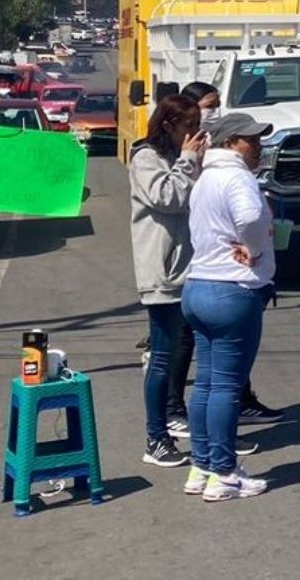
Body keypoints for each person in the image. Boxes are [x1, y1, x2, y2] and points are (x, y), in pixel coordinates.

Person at [183, 112, 277, 502]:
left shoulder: (206, 177)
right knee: (225, 385)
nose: (258, 146)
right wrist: (255, 249)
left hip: (198, 286)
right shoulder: (236, 176)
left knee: (206, 383)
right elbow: (251, 216)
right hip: (231, 288)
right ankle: (224, 472)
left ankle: (202, 465)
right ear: (229, 143)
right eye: (250, 139)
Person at [128, 95, 204, 469]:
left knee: (195, 350)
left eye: (198, 126)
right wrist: (189, 160)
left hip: (192, 269)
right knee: (162, 357)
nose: (194, 135)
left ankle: (200, 426)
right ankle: (156, 437)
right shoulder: (146, 158)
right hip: (163, 274)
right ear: (168, 125)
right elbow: (167, 197)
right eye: (188, 127)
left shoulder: (182, 158)